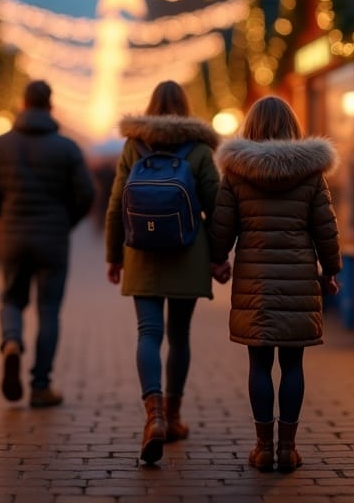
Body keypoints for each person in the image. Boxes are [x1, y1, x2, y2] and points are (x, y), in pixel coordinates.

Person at [208, 95, 341, 473]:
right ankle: (289, 449)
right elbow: (325, 227)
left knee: (260, 362)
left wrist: (217, 261)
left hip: (255, 280)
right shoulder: (311, 173)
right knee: (293, 364)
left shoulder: (236, 172)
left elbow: (222, 227)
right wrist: (330, 270)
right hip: (299, 275)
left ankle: (263, 448)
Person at [103, 80, 222, 465]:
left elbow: (117, 204)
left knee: (148, 333)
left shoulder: (133, 146)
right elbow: (216, 207)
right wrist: (218, 257)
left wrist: (113, 256)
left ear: (150, 108)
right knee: (180, 336)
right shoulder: (201, 149)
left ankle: (152, 414)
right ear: (186, 108)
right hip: (188, 252)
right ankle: (173, 417)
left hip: (141, 252)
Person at [0, 79, 95, 408]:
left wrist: (4, 214)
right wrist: (65, 221)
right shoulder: (67, 148)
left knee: (12, 298)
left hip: (13, 234)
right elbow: (87, 194)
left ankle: (11, 341)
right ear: (50, 106)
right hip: (53, 237)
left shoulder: (1, 144)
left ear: (23, 105)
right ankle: (40, 386)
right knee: (49, 310)